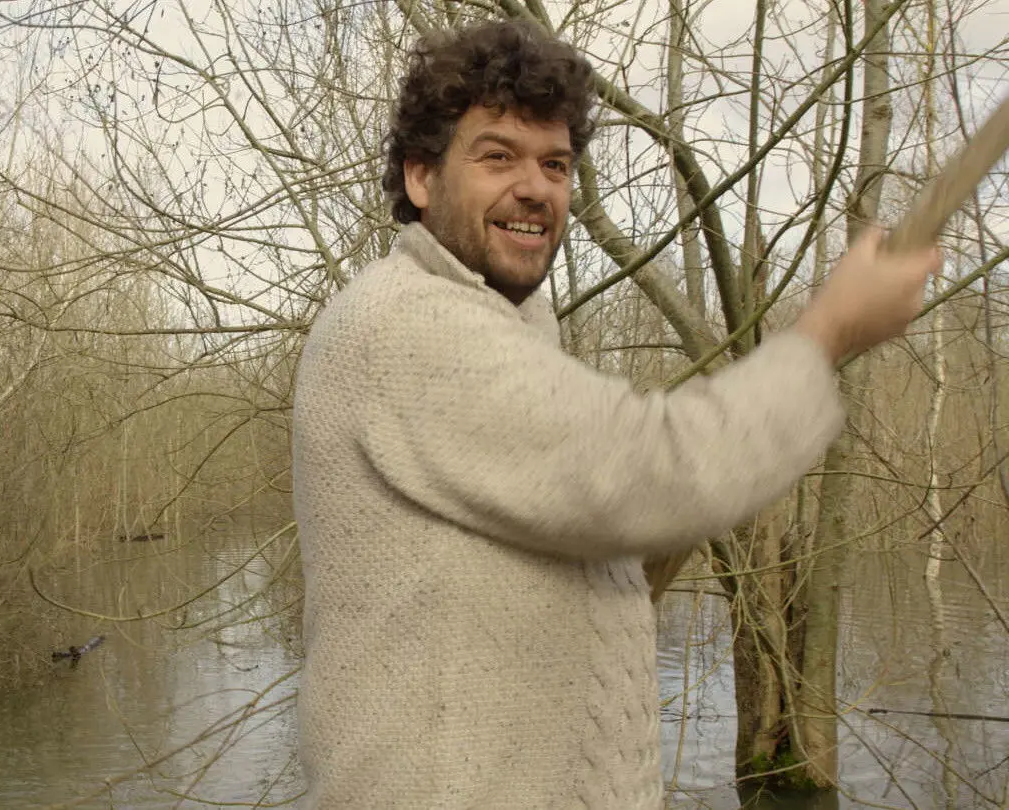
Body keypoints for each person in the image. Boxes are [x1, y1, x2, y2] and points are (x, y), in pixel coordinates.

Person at [289, 19, 941, 809]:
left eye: (555, 163)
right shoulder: (406, 325)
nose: (535, 186)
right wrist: (827, 333)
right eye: (497, 155)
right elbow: (650, 467)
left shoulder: (505, 334)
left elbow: (599, 510)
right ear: (422, 178)